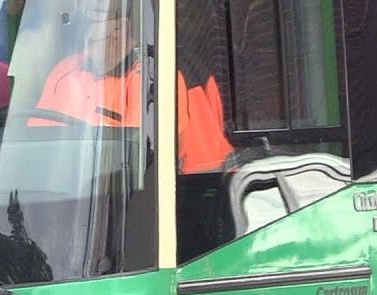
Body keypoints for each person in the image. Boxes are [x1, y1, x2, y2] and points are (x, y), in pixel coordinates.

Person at [32, 0, 233, 174]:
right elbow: (36, 146)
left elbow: (140, 160)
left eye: (91, 29)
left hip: (161, 203)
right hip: (70, 202)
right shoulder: (64, 71)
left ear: (118, 30)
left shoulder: (158, 77)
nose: (83, 39)